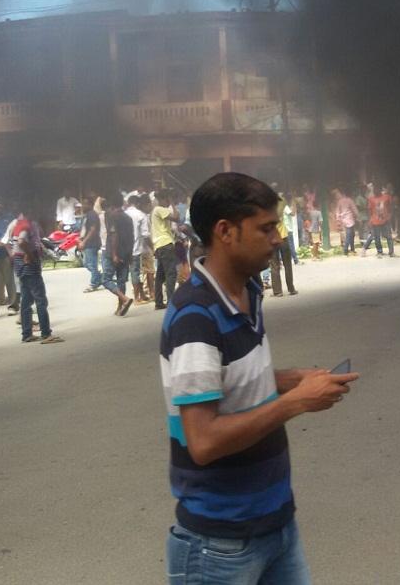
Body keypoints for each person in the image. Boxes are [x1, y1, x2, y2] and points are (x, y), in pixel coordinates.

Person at [161, 172, 358, 585]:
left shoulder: (248, 291)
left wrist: (287, 379)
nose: (278, 238)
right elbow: (203, 441)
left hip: (276, 524)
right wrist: (296, 402)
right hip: (220, 545)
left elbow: (227, 380)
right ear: (225, 231)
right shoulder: (195, 316)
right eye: (266, 228)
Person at [11, 206, 62, 343]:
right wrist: (30, 255)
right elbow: (22, 241)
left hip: (21, 265)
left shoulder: (21, 224)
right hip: (28, 266)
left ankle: (27, 333)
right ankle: (46, 334)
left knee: (26, 300)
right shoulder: (26, 225)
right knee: (41, 300)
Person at [103, 193, 134, 316]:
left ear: (112, 203)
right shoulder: (128, 218)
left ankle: (125, 299)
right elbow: (132, 237)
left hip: (113, 252)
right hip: (126, 252)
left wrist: (114, 254)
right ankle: (120, 307)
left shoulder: (111, 216)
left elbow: (114, 234)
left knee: (106, 280)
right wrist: (130, 254)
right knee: (121, 280)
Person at [152, 189, 180, 311]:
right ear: (164, 198)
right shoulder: (160, 209)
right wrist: (172, 203)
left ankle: (158, 301)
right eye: (168, 199)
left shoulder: (155, 210)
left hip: (159, 245)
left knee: (160, 275)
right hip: (166, 243)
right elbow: (176, 217)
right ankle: (171, 301)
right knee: (171, 274)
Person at [78, 193, 103, 292]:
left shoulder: (92, 214)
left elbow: (92, 229)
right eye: (82, 204)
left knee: (91, 264)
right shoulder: (87, 215)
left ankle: (94, 283)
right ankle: (100, 278)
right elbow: (85, 229)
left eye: (85, 204)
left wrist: (84, 241)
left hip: (92, 243)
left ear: (90, 205)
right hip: (87, 243)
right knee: (86, 264)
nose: (83, 206)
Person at [125, 195, 149, 304]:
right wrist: (152, 247)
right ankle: (136, 297)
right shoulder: (141, 215)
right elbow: (145, 234)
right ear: (138, 203)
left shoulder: (124, 214)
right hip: (136, 248)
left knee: (133, 272)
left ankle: (141, 295)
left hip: (125, 248)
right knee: (136, 272)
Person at [368, 184, 396, 257]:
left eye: (377, 189)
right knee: (377, 237)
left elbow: (391, 206)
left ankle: (391, 252)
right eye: (374, 190)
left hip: (385, 220)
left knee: (389, 236)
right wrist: (371, 219)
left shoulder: (386, 197)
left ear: (380, 190)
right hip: (375, 221)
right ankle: (379, 252)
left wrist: (390, 215)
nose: (375, 191)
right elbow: (370, 210)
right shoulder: (371, 199)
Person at [335, 189, 359, 255]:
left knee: (349, 234)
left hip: (343, 220)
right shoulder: (350, 200)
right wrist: (357, 216)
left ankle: (351, 249)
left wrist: (338, 219)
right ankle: (347, 249)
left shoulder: (340, 201)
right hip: (350, 219)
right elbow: (354, 209)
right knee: (350, 235)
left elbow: (337, 210)